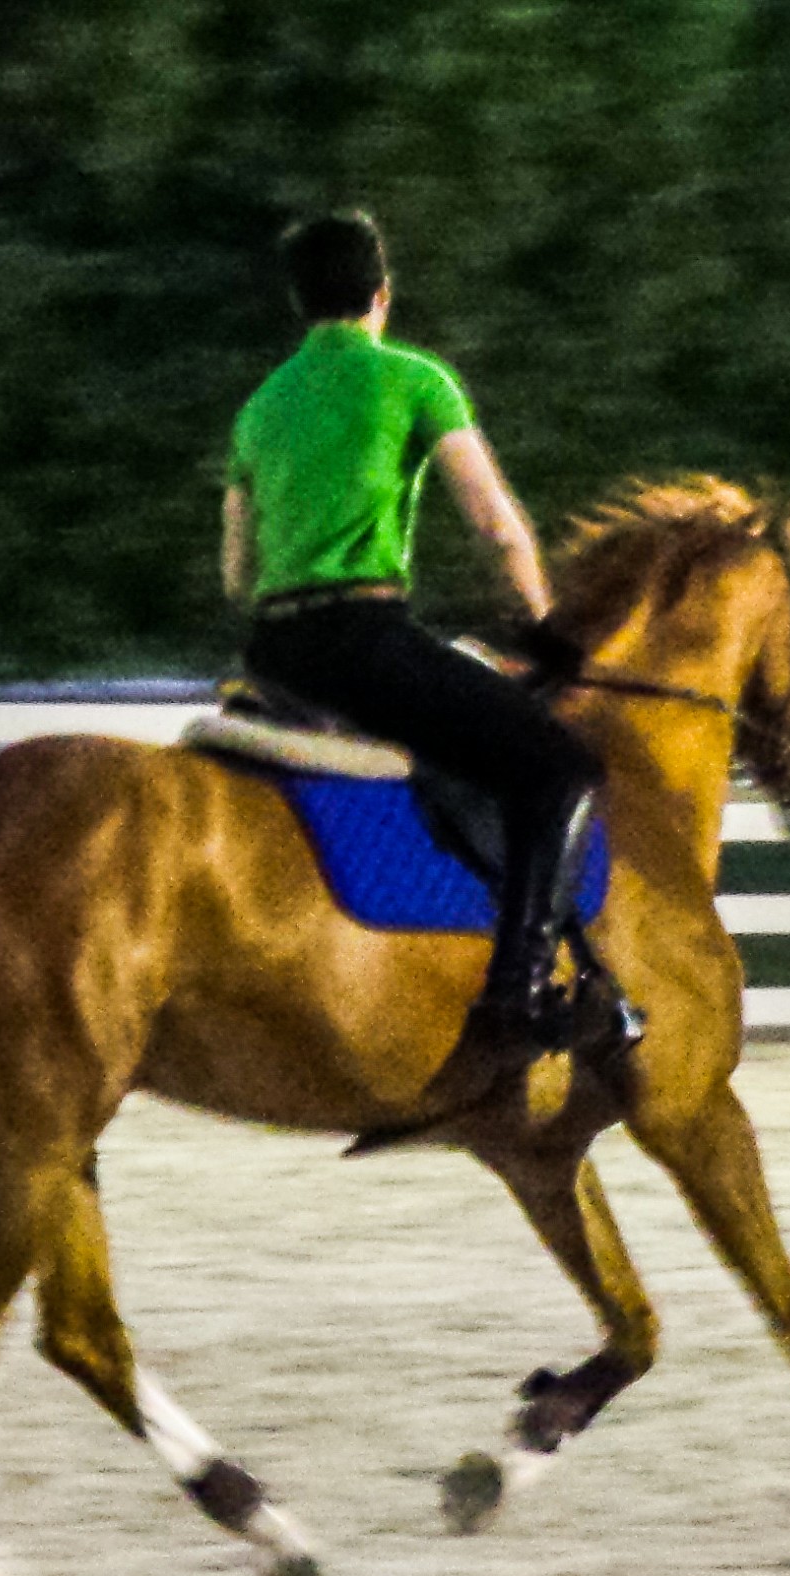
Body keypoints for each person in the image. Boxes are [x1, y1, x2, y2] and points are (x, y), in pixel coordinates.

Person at [222, 209, 634, 1066]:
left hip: (272, 651)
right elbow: (494, 521)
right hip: (362, 644)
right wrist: (544, 625)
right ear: (382, 294)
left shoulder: (259, 408)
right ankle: (515, 996)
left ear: (302, 305)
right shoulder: (413, 378)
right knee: (559, 768)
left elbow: (236, 569)